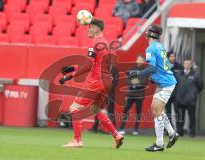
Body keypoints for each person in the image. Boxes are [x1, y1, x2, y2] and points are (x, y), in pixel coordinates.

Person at [61, 19, 124, 148]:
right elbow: (97, 63)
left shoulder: (94, 43)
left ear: (96, 29)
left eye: (89, 27)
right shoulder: (106, 43)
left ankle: (77, 140)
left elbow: (90, 64)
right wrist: (73, 69)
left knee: (74, 108)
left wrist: (71, 76)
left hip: (97, 80)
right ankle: (116, 135)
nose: (87, 30)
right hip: (107, 80)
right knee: (95, 109)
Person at [128, 24, 179, 152]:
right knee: (156, 110)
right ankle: (172, 133)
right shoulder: (160, 47)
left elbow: (152, 68)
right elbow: (165, 65)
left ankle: (159, 144)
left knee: (157, 111)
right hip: (164, 82)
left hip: (165, 83)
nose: (146, 32)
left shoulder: (150, 48)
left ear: (151, 34)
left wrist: (137, 73)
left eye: (148, 31)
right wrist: (154, 77)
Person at [119, 55, 148, 135]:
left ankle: (136, 129)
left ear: (144, 61)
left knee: (138, 112)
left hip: (139, 94)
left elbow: (144, 81)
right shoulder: (131, 68)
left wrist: (135, 82)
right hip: (130, 94)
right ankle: (121, 128)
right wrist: (133, 83)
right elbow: (128, 80)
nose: (139, 61)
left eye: (141, 60)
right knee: (126, 110)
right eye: (138, 59)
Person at [175, 60, 203, 137]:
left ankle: (192, 132)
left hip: (191, 99)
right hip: (180, 99)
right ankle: (180, 132)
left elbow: (200, 85)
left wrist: (194, 93)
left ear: (191, 65)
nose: (187, 65)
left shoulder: (196, 74)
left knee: (192, 117)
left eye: (189, 64)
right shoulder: (179, 74)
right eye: (186, 64)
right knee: (180, 117)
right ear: (183, 65)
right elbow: (175, 85)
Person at [165, 51, 183, 126]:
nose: (173, 58)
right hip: (167, 92)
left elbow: (182, 80)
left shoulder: (179, 67)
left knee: (177, 111)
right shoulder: (164, 66)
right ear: (168, 58)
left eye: (174, 56)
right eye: (171, 56)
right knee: (168, 112)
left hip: (176, 93)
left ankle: (179, 129)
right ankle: (169, 130)